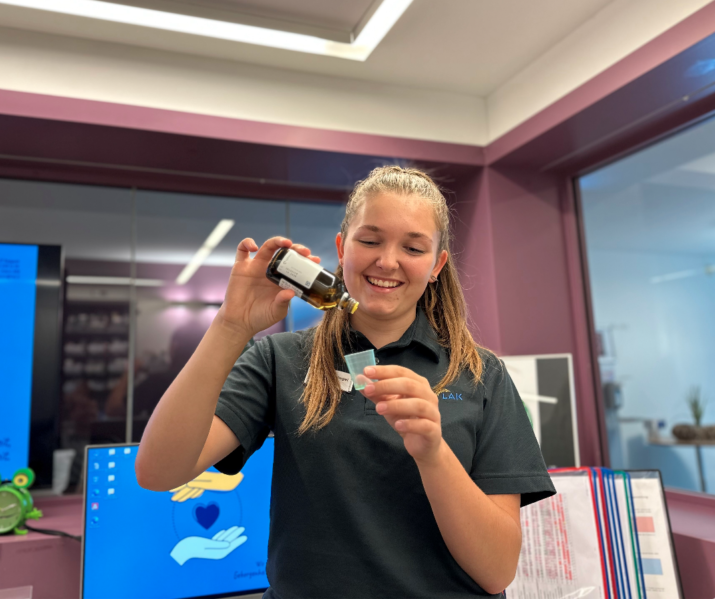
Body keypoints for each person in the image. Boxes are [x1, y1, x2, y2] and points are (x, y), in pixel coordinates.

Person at [136, 166, 556, 597]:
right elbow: (157, 472)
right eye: (370, 241)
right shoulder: (281, 359)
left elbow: (497, 570)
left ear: (436, 265)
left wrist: (434, 454)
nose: (387, 261)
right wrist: (230, 326)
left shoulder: (481, 375)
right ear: (342, 247)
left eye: (413, 248)